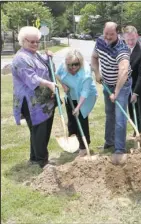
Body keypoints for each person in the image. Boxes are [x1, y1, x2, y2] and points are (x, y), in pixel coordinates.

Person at [11, 26, 57, 168]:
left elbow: (46, 66)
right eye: (32, 42)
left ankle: (35, 158)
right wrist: (49, 84)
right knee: (39, 130)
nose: (35, 44)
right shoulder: (21, 58)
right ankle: (41, 161)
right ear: (23, 41)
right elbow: (32, 79)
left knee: (40, 130)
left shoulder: (34, 54)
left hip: (42, 100)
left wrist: (48, 57)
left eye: (37, 41)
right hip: (32, 102)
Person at [91, 22, 132, 165]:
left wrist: (116, 92)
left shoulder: (122, 49)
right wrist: (97, 73)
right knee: (109, 113)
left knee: (120, 117)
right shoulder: (100, 41)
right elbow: (94, 57)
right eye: (106, 33)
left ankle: (119, 149)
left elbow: (124, 71)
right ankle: (109, 142)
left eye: (111, 34)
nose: (107, 37)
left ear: (118, 34)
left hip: (121, 84)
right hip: (107, 83)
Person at [56, 49, 98, 156]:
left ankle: (84, 146)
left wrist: (78, 107)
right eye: (70, 65)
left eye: (76, 64)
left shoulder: (86, 73)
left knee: (81, 119)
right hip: (70, 95)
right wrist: (63, 85)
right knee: (71, 120)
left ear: (80, 62)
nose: (73, 67)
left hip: (85, 97)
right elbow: (56, 74)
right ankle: (73, 144)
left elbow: (85, 92)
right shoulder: (63, 65)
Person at [122, 26, 141, 134]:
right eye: (128, 40)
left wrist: (135, 92)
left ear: (137, 36)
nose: (130, 42)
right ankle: (136, 131)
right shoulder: (123, 48)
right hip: (130, 83)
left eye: (133, 39)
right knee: (132, 107)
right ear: (124, 38)